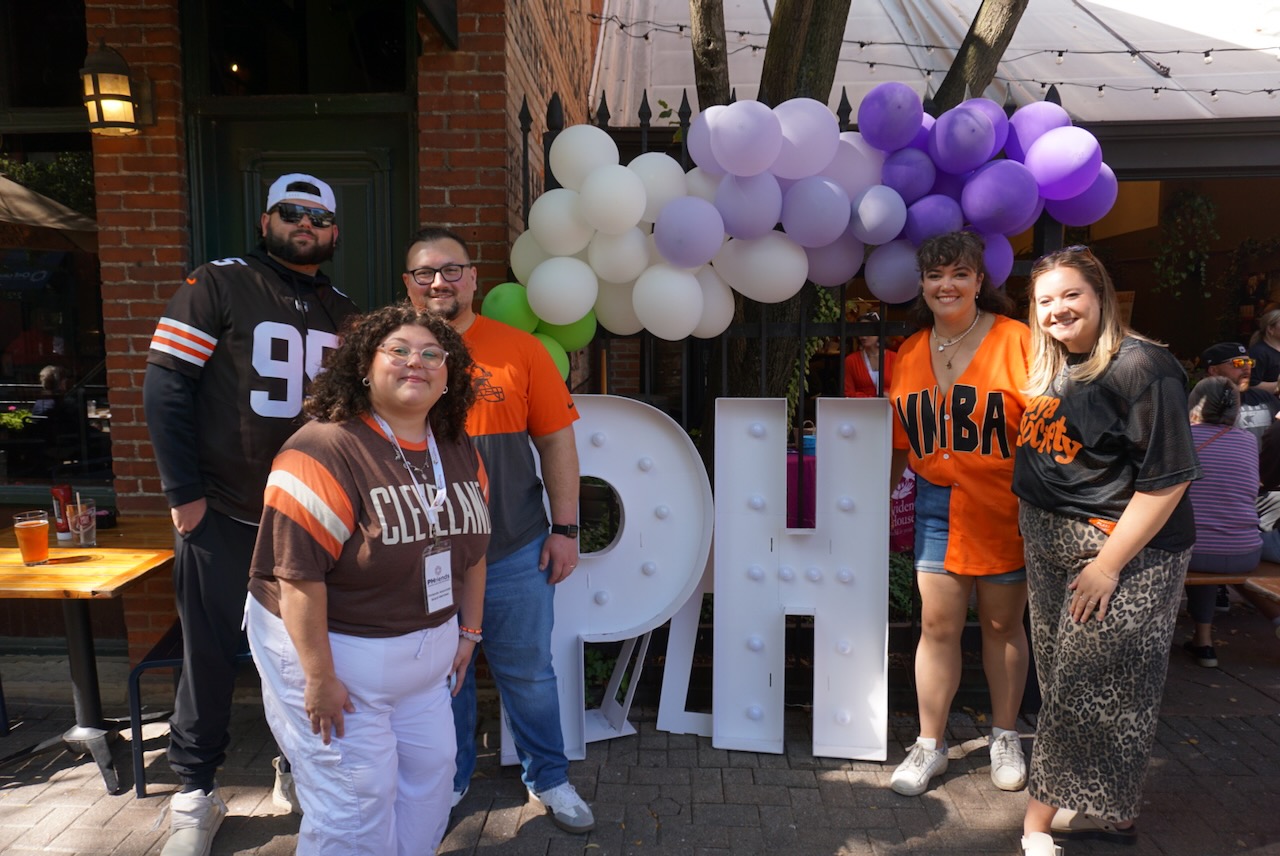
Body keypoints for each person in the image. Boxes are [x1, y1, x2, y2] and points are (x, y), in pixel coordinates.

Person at [143, 174, 359, 855]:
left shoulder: (344, 310)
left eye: (319, 216)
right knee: (207, 652)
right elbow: (166, 386)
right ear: (266, 220)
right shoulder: (217, 282)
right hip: (226, 511)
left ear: (335, 231)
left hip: (309, 519)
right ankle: (194, 789)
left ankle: (296, 762)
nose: (305, 224)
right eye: (292, 212)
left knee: (307, 651)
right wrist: (184, 494)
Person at [246, 304, 489, 854]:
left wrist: (469, 632)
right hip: (335, 655)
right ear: (363, 366)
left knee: (433, 777)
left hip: (425, 657)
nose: (415, 362)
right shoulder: (322, 448)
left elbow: (474, 549)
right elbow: (297, 576)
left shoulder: (456, 446)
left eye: (432, 354)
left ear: (449, 376)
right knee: (357, 802)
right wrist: (317, 678)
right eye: (398, 350)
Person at [402, 227, 595, 833]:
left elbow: (557, 443)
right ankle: (449, 780)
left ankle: (550, 777)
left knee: (530, 674)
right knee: (439, 680)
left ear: (473, 279)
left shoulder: (520, 350)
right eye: (425, 272)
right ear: (408, 285)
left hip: (515, 547)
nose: (439, 282)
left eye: (451, 269)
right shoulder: (393, 355)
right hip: (422, 556)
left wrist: (565, 528)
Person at [1013, 245, 1200, 856]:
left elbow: (1168, 479)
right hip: (1053, 547)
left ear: (1101, 296)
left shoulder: (1145, 367)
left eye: (1071, 295)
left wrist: (1108, 565)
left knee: (1082, 689)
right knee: (1082, 686)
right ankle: (1111, 810)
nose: (1057, 310)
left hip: (1120, 555)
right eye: (1045, 300)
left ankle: (1035, 826)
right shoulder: (1057, 361)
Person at [886, 231, 1031, 799]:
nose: (946, 285)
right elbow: (900, 443)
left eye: (959, 274)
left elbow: (1045, 429)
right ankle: (930, 744)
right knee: (937, 627)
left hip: (1004, 505)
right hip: (936, 505)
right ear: (922, 285)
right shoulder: (909, 352)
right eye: (935, 275)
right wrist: (879, 502)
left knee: (1001, 625)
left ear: (979, 281)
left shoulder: (1016, 339)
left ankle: (1005, 735)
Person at [1180, 377, 1261, 667]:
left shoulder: (1180, 438)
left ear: (1193, 404)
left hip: (1189, 550)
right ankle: (1203, 642)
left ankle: (1201, 643)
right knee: (1217, 538)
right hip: (1244, 553)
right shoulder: (1248, 441)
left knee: (1198, 538)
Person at [1202, 341, 1274, 439]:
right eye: (1238, 363)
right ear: (1214, 370)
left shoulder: (1266, 398)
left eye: (1249, 362)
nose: (1247, 368)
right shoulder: (1197, 404)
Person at [844, 311, 896, 397]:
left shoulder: (895, 358)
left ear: (879, 331)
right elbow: (848, 393)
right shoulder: (851, 361)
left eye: (867, 330)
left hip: (889, 404)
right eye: (860, 331)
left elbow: (904, 389)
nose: (863, 336)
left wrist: (891, 396)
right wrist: (870, 398)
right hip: (861, 405)